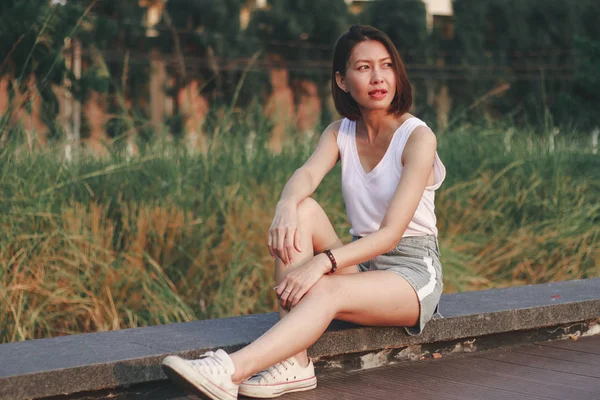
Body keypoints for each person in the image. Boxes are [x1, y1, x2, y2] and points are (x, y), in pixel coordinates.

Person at [161, 24, 445, 400]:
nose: (378, 77)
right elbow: (306, 174)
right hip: (362, 264)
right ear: (342, 81)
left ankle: (228, 370)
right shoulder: (341, 132)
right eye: (363, 68)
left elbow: (390, 234)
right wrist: (285, 207)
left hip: (412, 273)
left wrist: (323, 262)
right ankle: (293, 364)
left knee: (326, 286)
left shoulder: (418, 138)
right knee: (303, 209)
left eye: (387, 65)